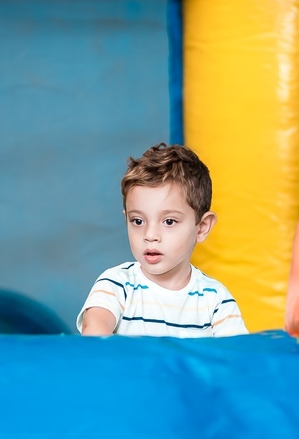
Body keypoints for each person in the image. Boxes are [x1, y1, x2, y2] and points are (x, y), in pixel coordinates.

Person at [77, 143, 248, 338]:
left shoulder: (216, 301)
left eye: (169, 221)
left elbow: (236, 359)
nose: (150, 235)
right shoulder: (117, 285)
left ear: (201, 227)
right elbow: (95, 330)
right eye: (138, 221)